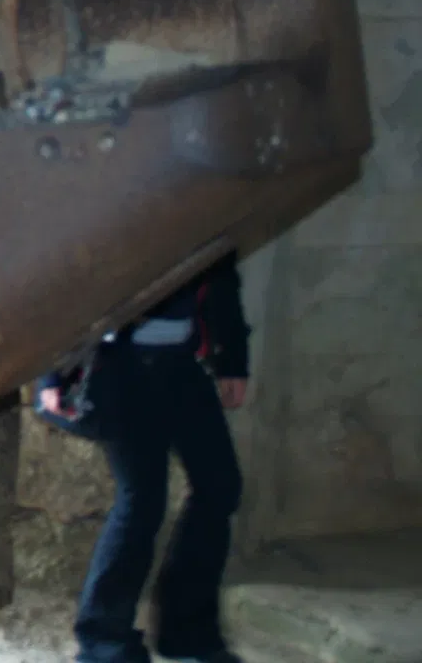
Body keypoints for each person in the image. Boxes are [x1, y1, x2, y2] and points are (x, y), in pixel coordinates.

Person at [37, 253, 250, 663]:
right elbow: (65, 280)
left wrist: (233, 361)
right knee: (143, 500)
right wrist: (52, 375)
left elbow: (222, 276)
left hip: (181, 367)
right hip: (120, 368)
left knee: (220, 487)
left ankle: (187, 634)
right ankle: (103, 643)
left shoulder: (207, 203)